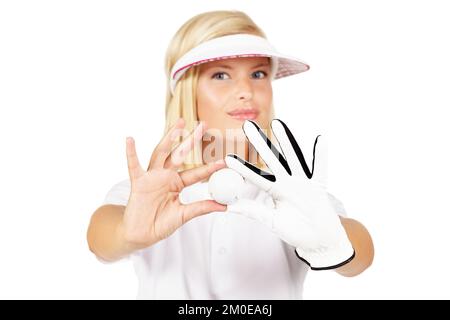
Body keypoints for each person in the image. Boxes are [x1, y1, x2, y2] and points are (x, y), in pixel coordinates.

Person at [87, 10, 374, 299]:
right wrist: (127, 233)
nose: (246, 91)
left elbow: (361, 255)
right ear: (187, 91)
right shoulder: (147, 195)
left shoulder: (293, 193)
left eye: (258, 73)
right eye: (221, 75)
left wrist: (336, 243)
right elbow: (101, 238)